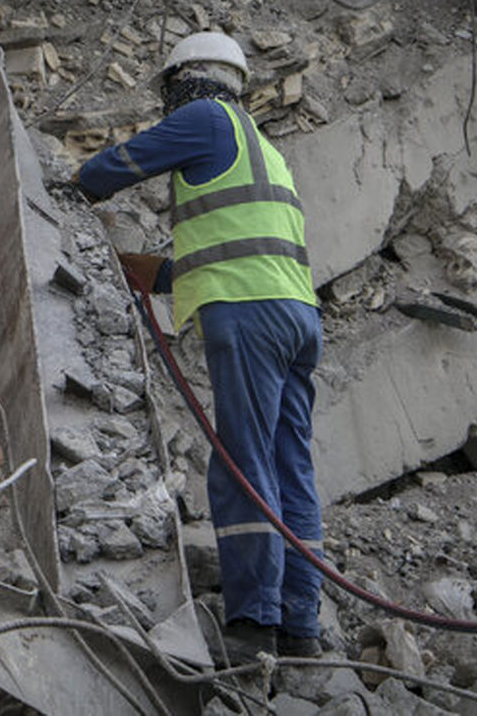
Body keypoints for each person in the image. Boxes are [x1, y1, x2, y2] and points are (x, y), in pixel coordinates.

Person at [74, 32, 325, 661]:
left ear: (186, 79)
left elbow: (118, 167)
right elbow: (238, 247)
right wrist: (156, 275)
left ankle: (250, 623)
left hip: (248, 316)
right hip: (296, 316)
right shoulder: (264, 147)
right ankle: (301, 627)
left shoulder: (207, 117)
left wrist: (70, 187)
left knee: (242, 463)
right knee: (290, 465)